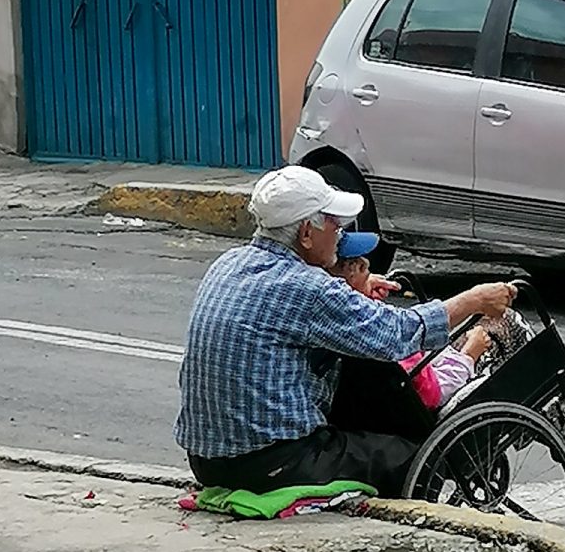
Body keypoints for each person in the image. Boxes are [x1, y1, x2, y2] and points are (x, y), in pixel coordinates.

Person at [175, 165, 517, 496]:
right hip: (268, 462)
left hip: (205, 458)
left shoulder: (228, 264)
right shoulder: (306, 286)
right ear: (306, 235)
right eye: (334, 225)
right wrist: (473, 301)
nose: (340, 233)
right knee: (416, 458)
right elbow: (397, 333)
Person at [332, 233, 490, 409]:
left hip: (399, 381)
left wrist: (363, 292)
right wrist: (468, 356)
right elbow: (433, 393)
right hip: (421, 395)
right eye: (362, 269)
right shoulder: (380, 334)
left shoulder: (336, 315)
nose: (367, 264)